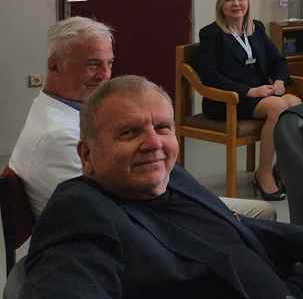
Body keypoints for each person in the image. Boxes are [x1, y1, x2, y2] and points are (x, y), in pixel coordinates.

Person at [12, 75, 303, 299]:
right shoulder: (80, 212)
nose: (154, 144)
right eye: (130, 133)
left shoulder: (168, 174)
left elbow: (225, 225)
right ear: (87, 156)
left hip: (280, 289)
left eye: (162, 127)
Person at [10, 16, 275, 220]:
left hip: (146, 208)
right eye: (93, 65)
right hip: (133, 230)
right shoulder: (59, 137)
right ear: (55, 65)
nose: (105, 75)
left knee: (259, 216)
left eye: (109, 63)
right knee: (263, 215)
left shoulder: (59, 108)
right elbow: (118, 209)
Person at [195, 0, 301, 200]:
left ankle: (280, 169)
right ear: (221, 4)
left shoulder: (256, 28)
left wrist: (280, 80)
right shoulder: (210, 34)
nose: (236, 4)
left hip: (262, 93)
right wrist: (248, 91)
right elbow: (210, 77)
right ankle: (262, 173)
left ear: (248, 2)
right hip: (227, 100)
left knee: (296, 105)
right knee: (279, 108)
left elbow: (277, 60)